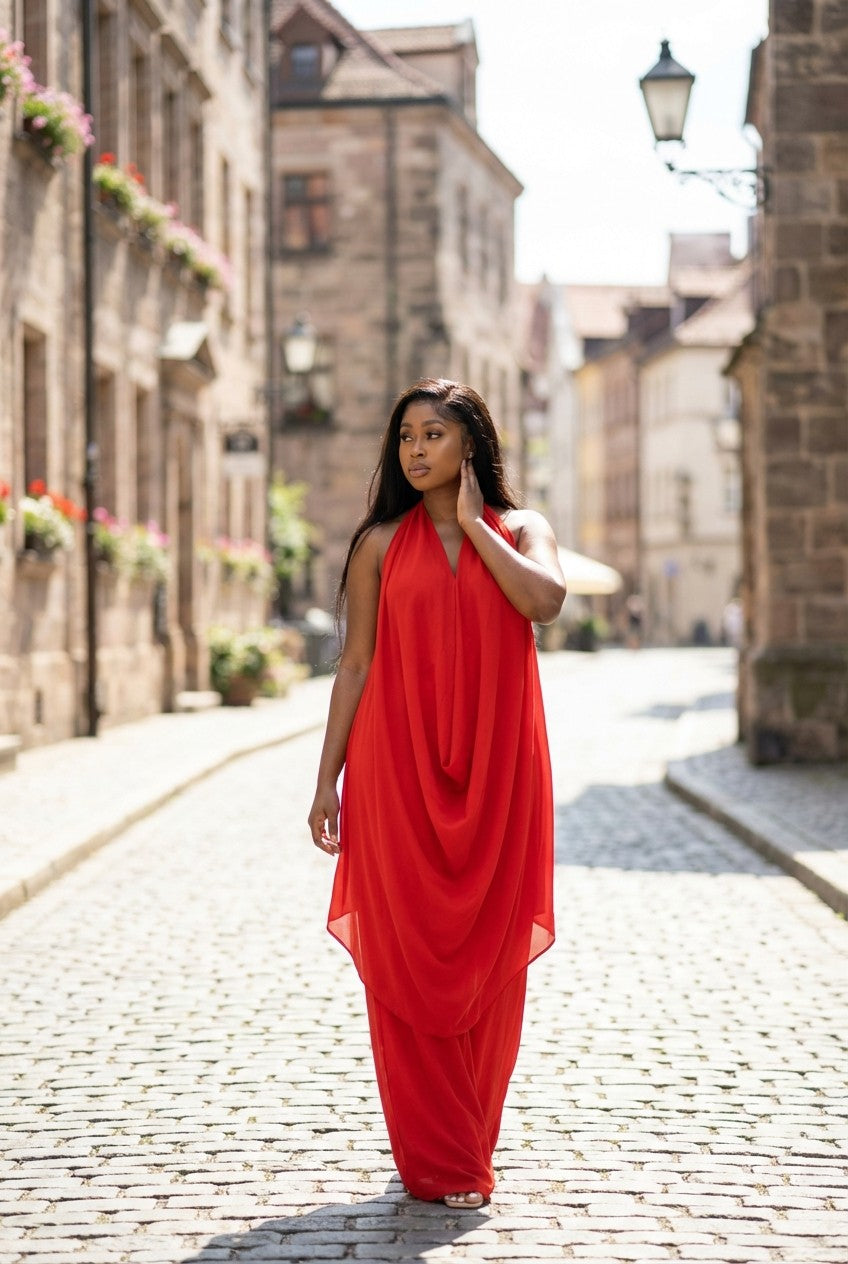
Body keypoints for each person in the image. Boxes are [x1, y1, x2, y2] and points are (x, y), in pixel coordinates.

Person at [307, 379, 566, 1210]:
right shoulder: (379, 544)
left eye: (434, 435)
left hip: (500, 774)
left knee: (490, 953)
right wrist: (326, 782)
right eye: (406, 437)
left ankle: (468, 1136)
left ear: (471, 446)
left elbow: (544, 602)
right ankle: (438, 1156)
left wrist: (471, 527)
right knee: (409, 951)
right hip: (397, 772)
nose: (416, 451)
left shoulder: (522, 532)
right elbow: (354, 666)